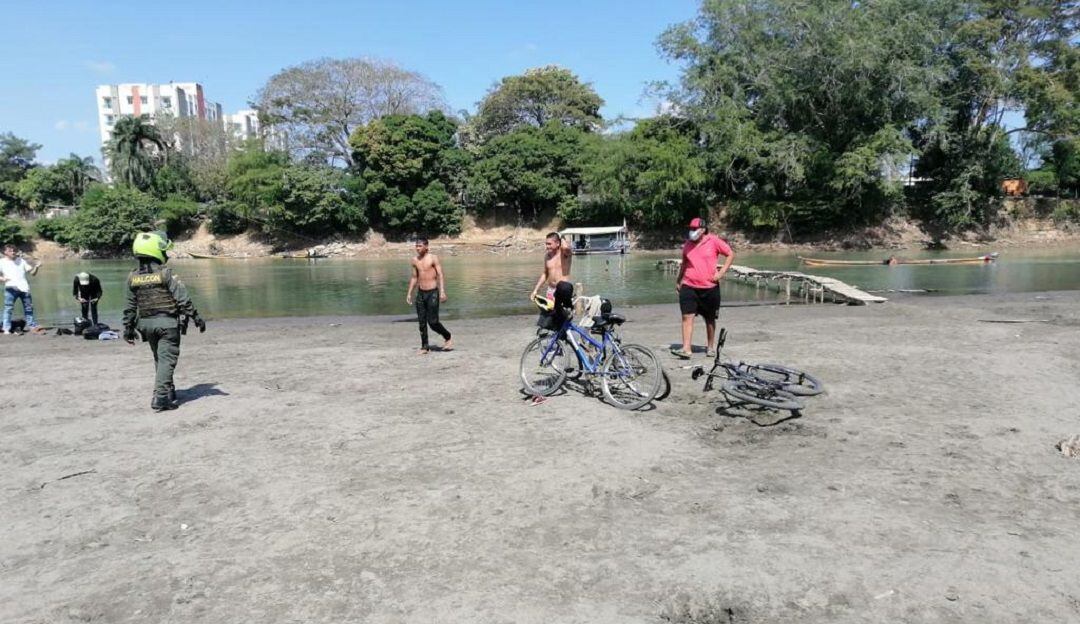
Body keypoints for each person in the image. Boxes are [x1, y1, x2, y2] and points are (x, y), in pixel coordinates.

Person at [122, 231, 206, 412]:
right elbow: (183, 299)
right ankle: (161, 396)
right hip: (167, 324)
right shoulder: (166, 274)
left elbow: (129, 307)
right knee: (167, 359)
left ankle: (168, 391)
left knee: (160, 358)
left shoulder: (132, 277)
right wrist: (196, 318)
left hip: (146, 325)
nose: (166, 254)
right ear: (155, 252)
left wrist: (127, 329)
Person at [672, 217, 734, 359]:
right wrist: (678, 280)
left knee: (710, 319)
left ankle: (710, 347)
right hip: (689, 285)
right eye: (691, 229)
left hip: (709, 287)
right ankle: (686, 348)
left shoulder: (713, 241)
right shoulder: (687, 244)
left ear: (703, 230)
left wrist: (721, 273)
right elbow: (684, 263)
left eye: (694, 229)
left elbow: (730, 254)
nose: (691, 232)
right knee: (687, 316)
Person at [405, 237, 452, 354]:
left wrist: (442, 291)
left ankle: (447, 336)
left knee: (433, 322)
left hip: (433, 293)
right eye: (416, 246)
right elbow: (414, 277)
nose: (417, 248)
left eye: (420, 246)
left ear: (426, 247)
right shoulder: (414, 260)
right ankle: (425, 347)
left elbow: (440, 275)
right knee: (421, 322)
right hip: (421, 293)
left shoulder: (433, 258)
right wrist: (409, 293)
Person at [529, 232, 574, 316]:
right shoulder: (547, 256)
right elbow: (545, 274)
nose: (547, 246)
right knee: (551, 318)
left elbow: (566, 247)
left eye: (549, 244)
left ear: (557, 243)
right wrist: (535, 290)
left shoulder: (564, 254)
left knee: (561, 317)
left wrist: (561, 236)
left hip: (561, 291)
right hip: (550, 290)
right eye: (546, 244)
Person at [0, 244, 41, 335]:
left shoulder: (21, 261)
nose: (13, 252)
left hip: (24, 288)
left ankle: (32, 326)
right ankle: (6, 328)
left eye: (14, 250)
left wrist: (37, 267)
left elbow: (33, 273)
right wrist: (2, 279)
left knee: (29, 308)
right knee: (8, 309)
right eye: (10, 251)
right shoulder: (1, 262)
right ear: (5, 252)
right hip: (10, 288)